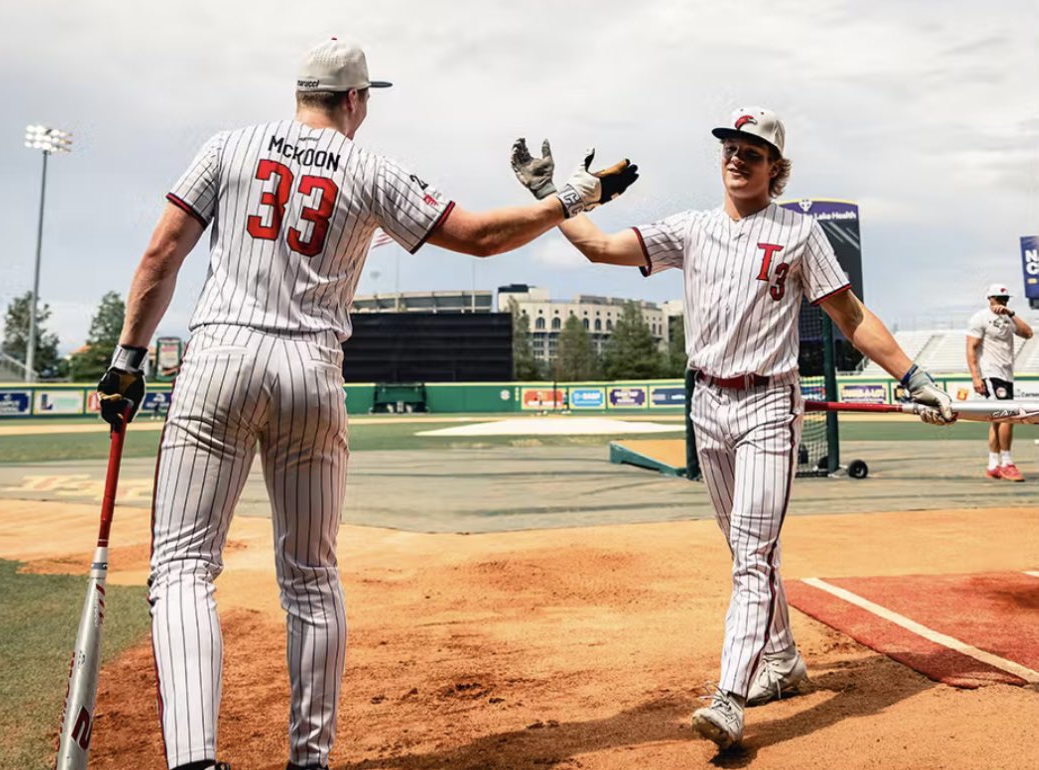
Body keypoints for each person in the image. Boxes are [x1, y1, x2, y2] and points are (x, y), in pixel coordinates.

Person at [95, 38, 637, 770]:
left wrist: (127, 358)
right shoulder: (370, 167)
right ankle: (309, 761)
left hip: (219, 359)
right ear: (354, 100)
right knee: (312, 577)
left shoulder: (227, 146)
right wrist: (579, 193)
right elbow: (478, 239)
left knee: (185, 568)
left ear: (300, 92)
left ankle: (195, 761)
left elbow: (161, 255)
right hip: (311, 373)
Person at [510, 107, 954, 752]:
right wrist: (548, 195)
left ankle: (729, 696)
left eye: (754, 149)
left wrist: (912, 377)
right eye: (731, 146)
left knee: (752, 555)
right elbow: (601, 247)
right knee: (747, 551)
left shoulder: (800, 234)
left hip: (770, 405)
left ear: (777, 168)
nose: (737, 156)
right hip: (707, 407)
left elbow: (850, 316)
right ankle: (784, 661)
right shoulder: (690, 230)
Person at [967, 283, 1033, 481]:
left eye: (1005, 299)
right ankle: (1007, 462)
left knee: (997, 419)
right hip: (991, 373)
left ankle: (993, 464)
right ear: (990, 299)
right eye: (998, 298)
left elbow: (1028, 333)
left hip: (1006, 375)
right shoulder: (980, 318)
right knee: (1007, 416)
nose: (1002, 302)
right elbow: (971, 348)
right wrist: (976, 377)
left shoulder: (1008, 318)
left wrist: (1011, 313)